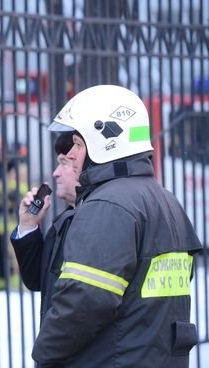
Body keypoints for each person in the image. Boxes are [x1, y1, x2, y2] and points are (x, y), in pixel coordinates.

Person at [32, 85, 202, 367]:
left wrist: (43, 354)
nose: (72, 154)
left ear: (106, 139)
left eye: (78, 143)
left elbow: (84, 300)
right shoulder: (166, 202)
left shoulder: (107, 207)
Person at [10, 132, 77, 323]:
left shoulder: (96, 217)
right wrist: (28, 225)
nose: (56, 172)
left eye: (64, 163)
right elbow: (37, 280)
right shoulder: (63, 221)